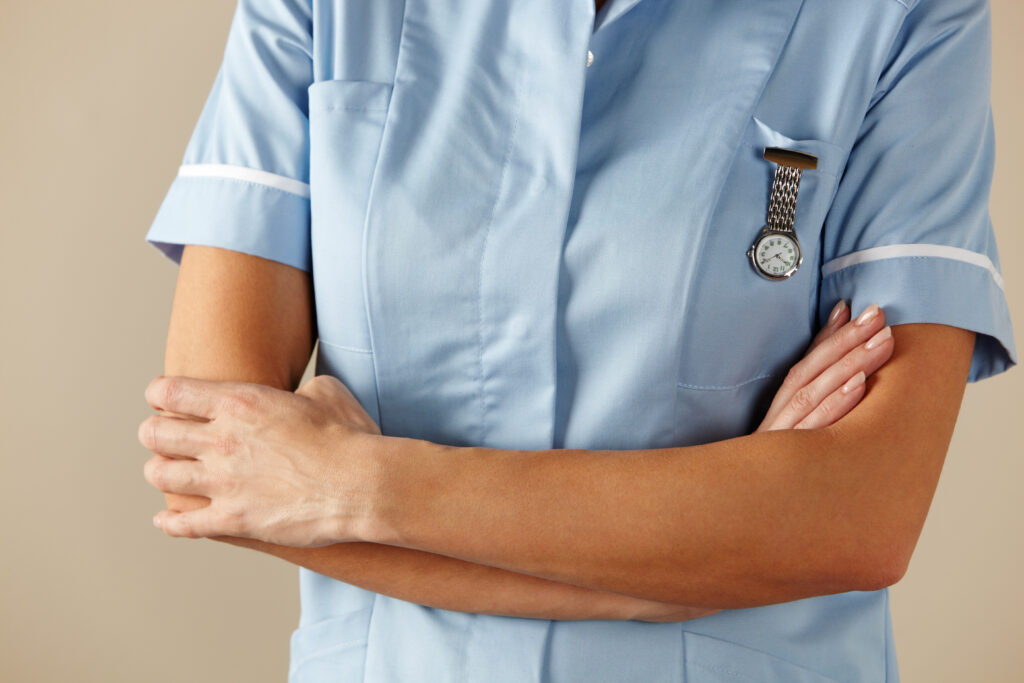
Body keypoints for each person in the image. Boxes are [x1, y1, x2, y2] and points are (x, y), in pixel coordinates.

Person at [139, 0, 1015, 681]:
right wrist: (694, 562)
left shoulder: (901, 14)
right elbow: (214, 461)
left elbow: (862, 514)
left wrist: (355, 484)